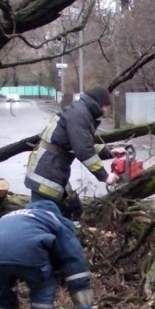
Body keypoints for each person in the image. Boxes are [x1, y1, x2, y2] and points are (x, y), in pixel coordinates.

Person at [25, 85, 125, 220]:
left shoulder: (79, 111)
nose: (108, 110)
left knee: (74, 209)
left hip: (51, 168)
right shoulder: (80, 115)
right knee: (44, 219)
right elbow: (83, 150)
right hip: (46, 173)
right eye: (108, 106)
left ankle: (71, 234)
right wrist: (105, 176)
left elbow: (79, 144)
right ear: (102, 104)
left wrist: (109, 152)